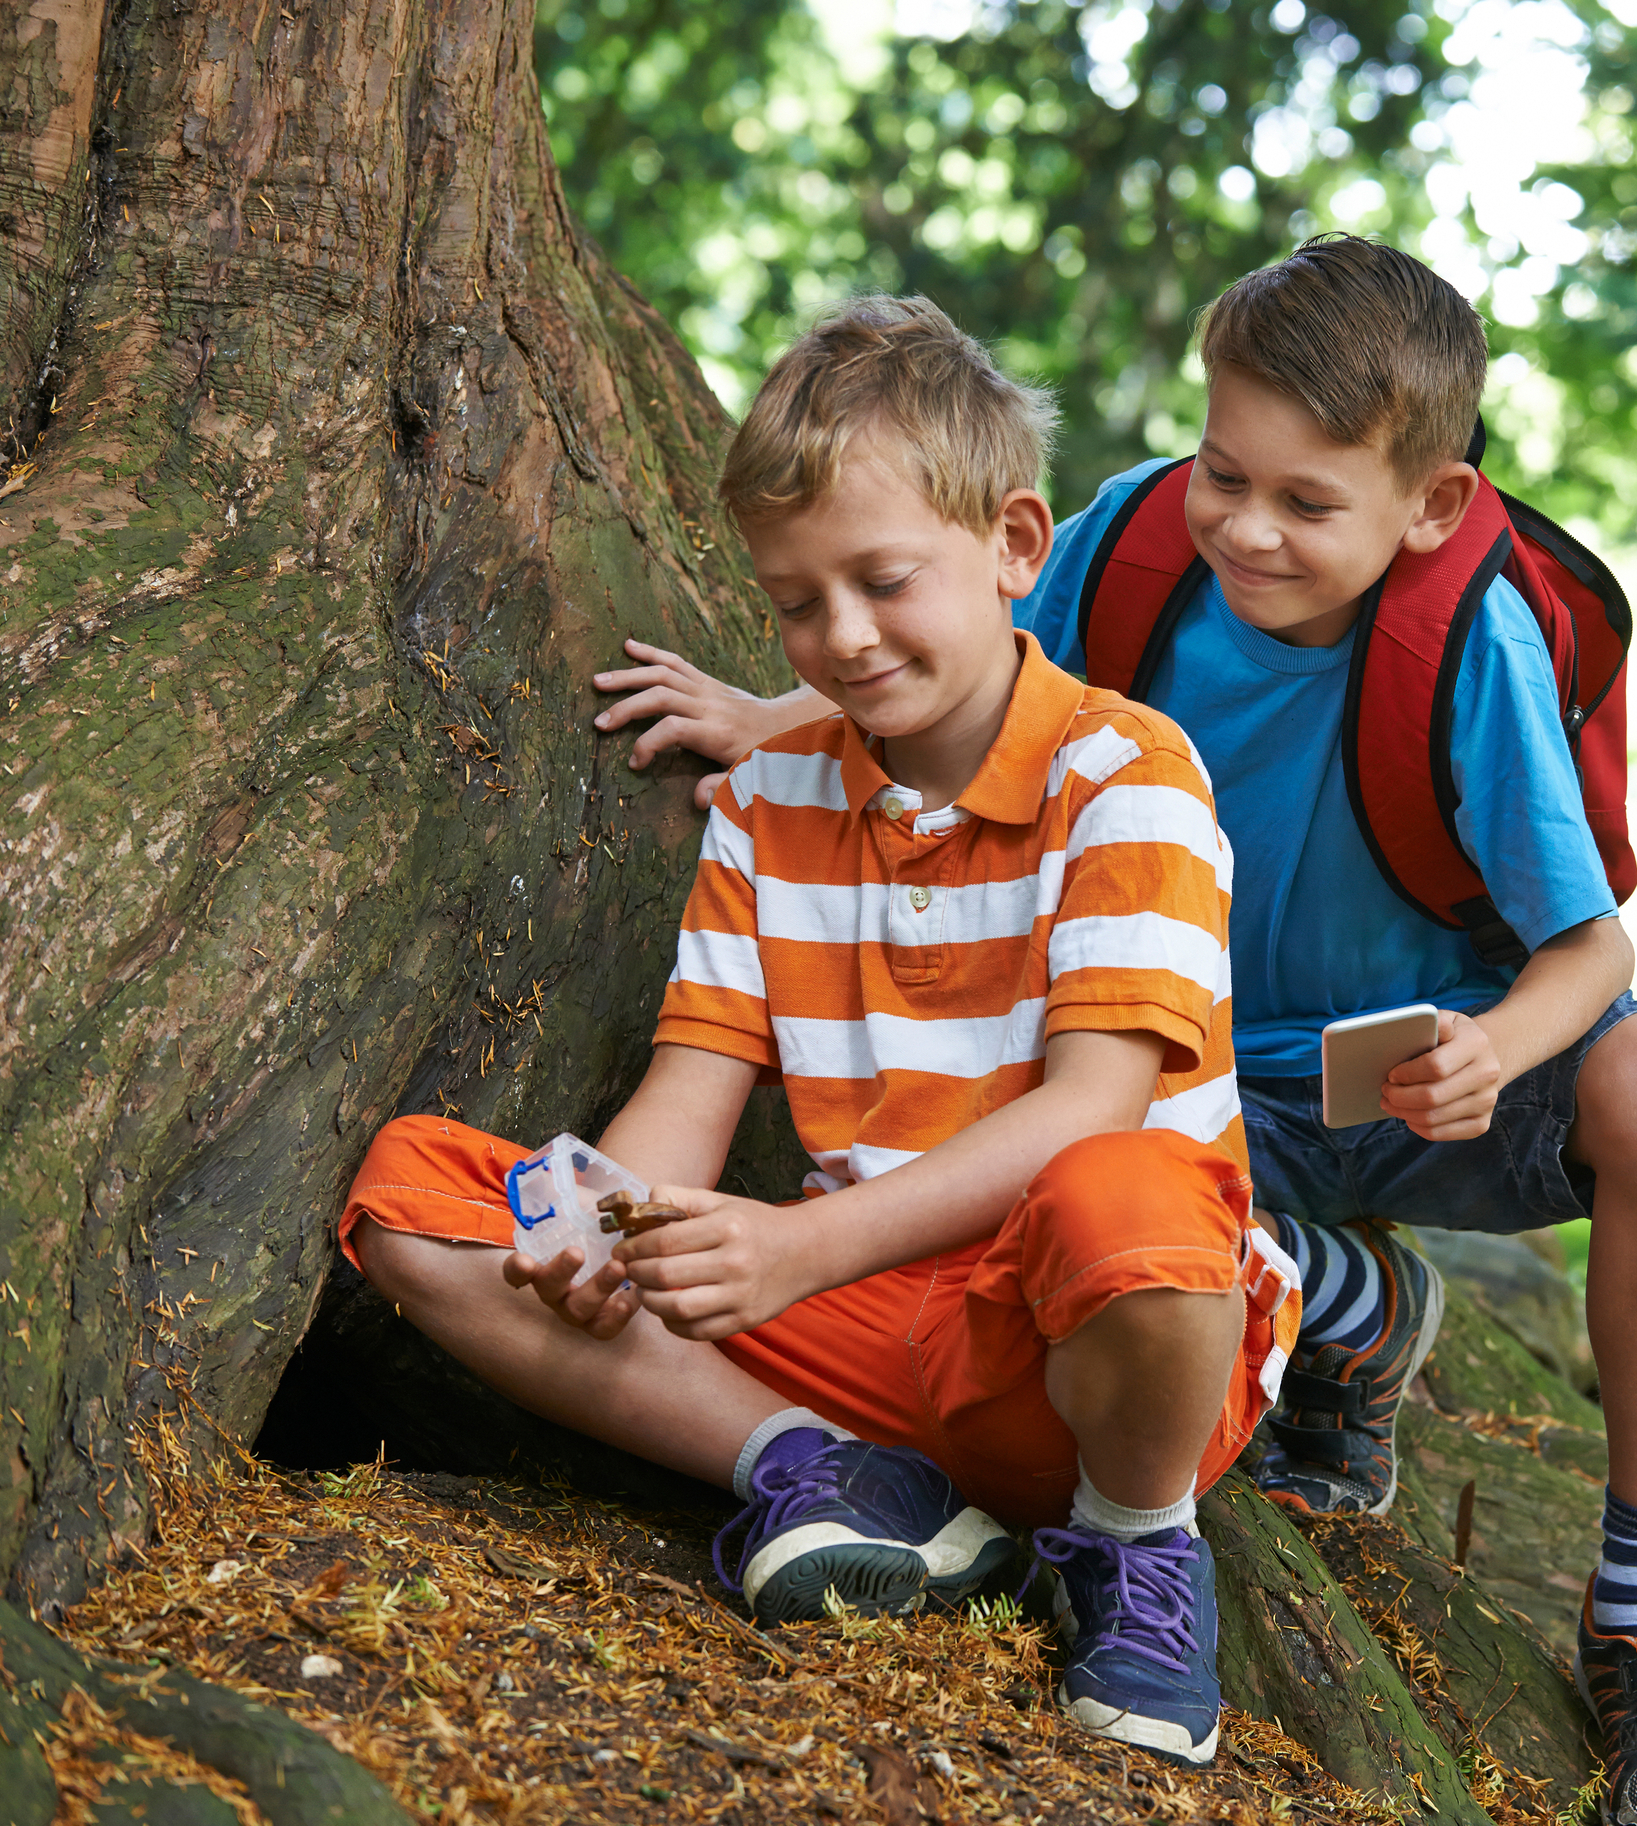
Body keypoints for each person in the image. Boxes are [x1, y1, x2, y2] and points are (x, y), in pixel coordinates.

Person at [597, 238, 1637, 1826]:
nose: (1246, 528)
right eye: (1226, 474)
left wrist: (1496, 1046)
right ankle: (1336, 1299)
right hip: (1179, 1078)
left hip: (1412, 1073)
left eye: (1303, 501)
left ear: (1425, 505)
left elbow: (1591, 944)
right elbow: (959, 647)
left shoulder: (1463, 641)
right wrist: (767, 717)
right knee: (1109, 1191)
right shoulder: (1138, 541)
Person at [341, 295, 1296, 1769]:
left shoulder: (1128, 775)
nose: (840, 637)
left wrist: (792, 1247)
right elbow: (688, 1093)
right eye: (795, 602)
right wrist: (610, 1225)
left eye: (883, 580)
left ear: (1015, 547)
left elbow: (1095, 1105)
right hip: (856, 1330)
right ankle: (820, 1471)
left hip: (1088, 1349)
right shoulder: (772, 801)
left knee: (1132, 1197)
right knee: (421, 1195)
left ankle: (1137, 1547)